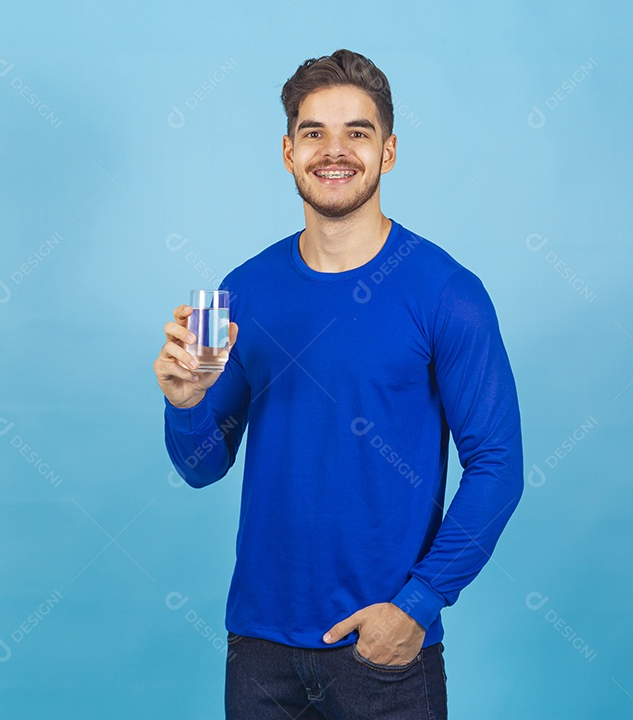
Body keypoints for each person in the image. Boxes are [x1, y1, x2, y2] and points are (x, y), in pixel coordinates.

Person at [154, 48, 523, 720]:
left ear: (388, 152)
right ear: (288, 152)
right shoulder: (245, 290)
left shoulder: (447, 293)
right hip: (259, 652)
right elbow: (202, 466)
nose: (335, 150)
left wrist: (417, 606)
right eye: (314, 132)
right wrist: (185, 406)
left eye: (358, 131)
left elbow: (499, 467)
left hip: (384, 653)